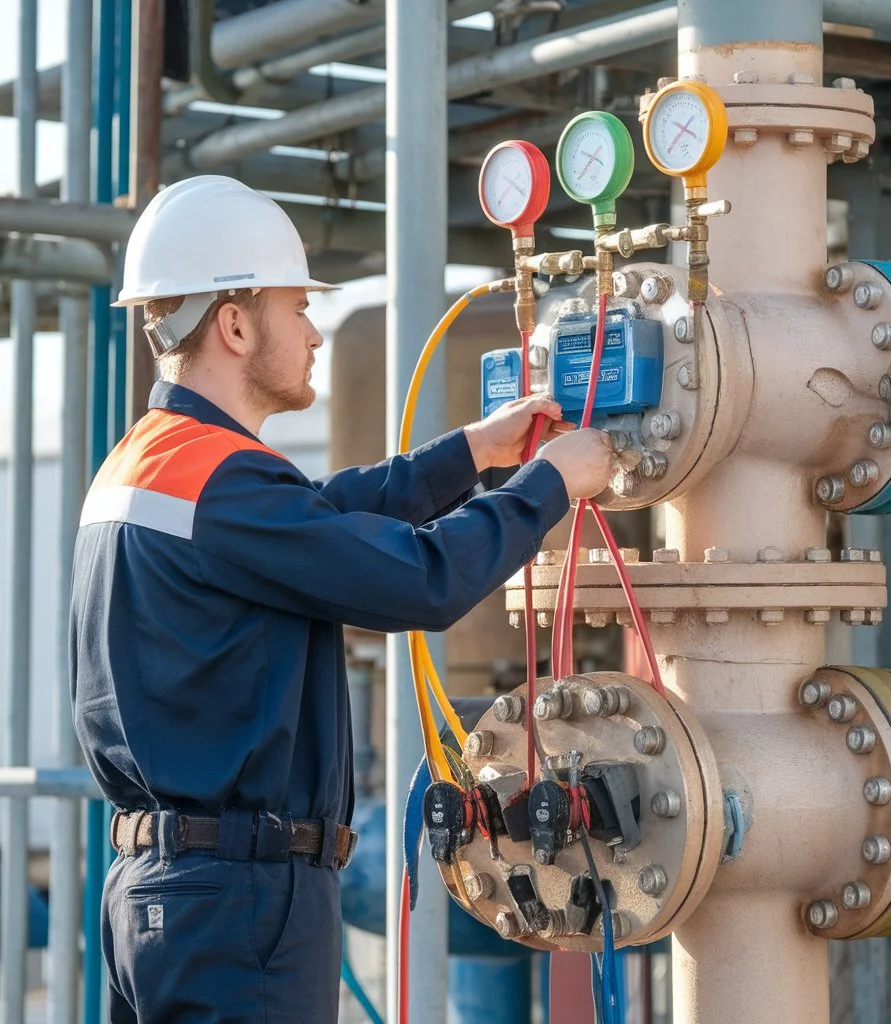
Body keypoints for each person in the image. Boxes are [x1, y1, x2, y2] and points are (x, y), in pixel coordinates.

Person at [69, 174, 614, 1023]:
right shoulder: (219, 483)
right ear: (236, 323)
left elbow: (315, 519)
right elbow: (421, 580)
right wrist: (548, 486)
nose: (317, 332)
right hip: (239, 907)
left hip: (160, 896)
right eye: (297, 308)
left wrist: (472, 451)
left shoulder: (150, 466)